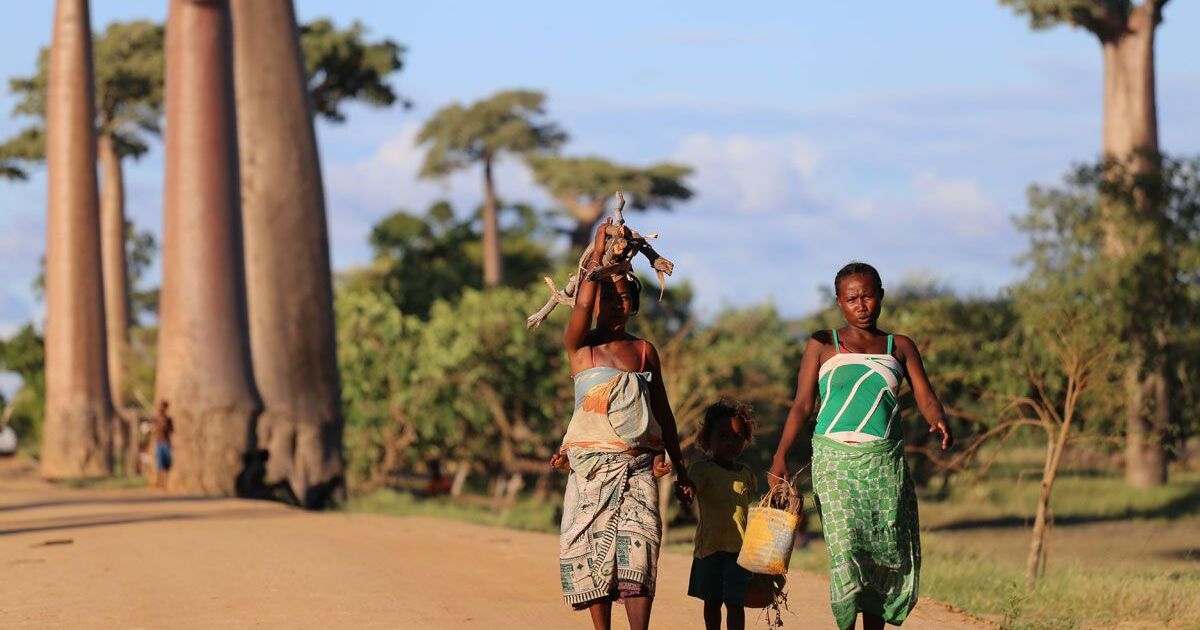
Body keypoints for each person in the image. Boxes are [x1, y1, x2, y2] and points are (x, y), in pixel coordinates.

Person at [769, 262, 953, 630]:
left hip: (884, 465)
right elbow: (803, 404)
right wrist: (780, 455)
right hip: (834, 461)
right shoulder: (822, 344)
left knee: (882, 555)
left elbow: (924, 395)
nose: (861, 305)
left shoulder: (899, 346)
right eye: (852, 299)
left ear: (881, 295)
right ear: (839, 302)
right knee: (845, 549)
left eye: (868, 296)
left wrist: (939, 418)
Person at [550, 218, 692, 630]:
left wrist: (681, 469)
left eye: (626, 297)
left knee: (641, 552)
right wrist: (598, 254)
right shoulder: (582, 349)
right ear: (594, 303)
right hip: (591, 470)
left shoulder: (645, 351)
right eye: (610, 298)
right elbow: (579, 305)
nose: (619, 304)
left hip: (639, 467)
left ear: (636, 304)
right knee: (596, 556)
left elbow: (664, 414)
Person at [686, 399, 757, 630]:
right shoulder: (700, 471)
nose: (731, 442)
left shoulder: (747, 474)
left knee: (736, 604)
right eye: (723, 436)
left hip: (739, 552)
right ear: (707, 439)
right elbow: (689, 491)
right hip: (709, 550)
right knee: (712, 602)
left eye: (737, 437)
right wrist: (685, 491)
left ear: (745, 439)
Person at [153, 400, 174, 490]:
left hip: (166, 443)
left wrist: (166, 426)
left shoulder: (168, 420)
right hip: (159, 443)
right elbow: (153, 430)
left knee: (167, 464)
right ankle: (159, 483)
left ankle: (166, 483)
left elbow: (172, 430)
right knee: (159, 464)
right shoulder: (156, 419)